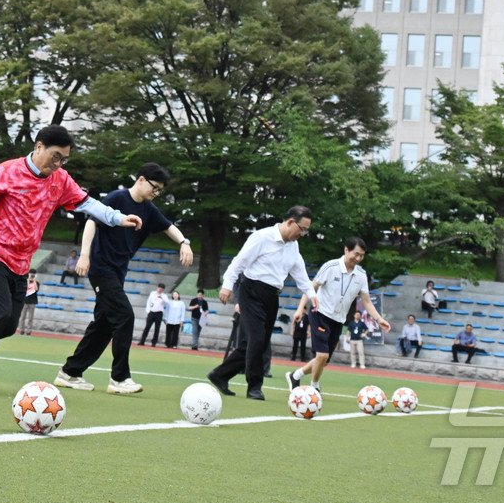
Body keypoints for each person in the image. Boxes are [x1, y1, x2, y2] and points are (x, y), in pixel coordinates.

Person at [0, 125, 142, 394]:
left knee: (7, 326)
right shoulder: (8, 170)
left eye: (64, 159)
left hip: (20, 262)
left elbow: (88, 204)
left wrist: (119, 218)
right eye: (56, 156)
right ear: (38, 146)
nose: (59, 164)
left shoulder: (60, 180)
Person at [55, 164, 192, 395]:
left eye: (159, 190)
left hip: (118, 273)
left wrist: (184, 242)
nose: (155, 193)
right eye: (154, 187)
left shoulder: (149, 209)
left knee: (104, 325)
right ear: (141, 180)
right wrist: (85, 255)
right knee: (124, 316)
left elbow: (169, 227)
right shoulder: (117, 197)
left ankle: (70, 372)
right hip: (101, 268)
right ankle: (119, 378)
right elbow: (91, 221)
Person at [206, 207, 317, 401]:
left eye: (306, 230)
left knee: (257, 343)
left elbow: (300, 273)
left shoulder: (293, 246)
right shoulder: (261, 237)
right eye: (302, 228)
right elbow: (239, 262)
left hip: (272, 295)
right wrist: (227, 286)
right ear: (291, 222)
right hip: (251, 291)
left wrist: (312, 294)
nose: (303, 234)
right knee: (256, 340)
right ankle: (254, 387)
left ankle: (220, 375)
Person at [285, 238, 389, 392]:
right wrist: (300, 309)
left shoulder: (361, 275)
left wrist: (379, 319)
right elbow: (310, 287)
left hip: (338, 320)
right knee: (322, 356)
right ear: (346, 250)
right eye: (356, 254)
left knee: (323, 361)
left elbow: (366, 301)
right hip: (319, 313)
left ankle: (295, 375)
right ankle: (314, 387)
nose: (358, 258)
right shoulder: (330, 266)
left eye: (362, 256)